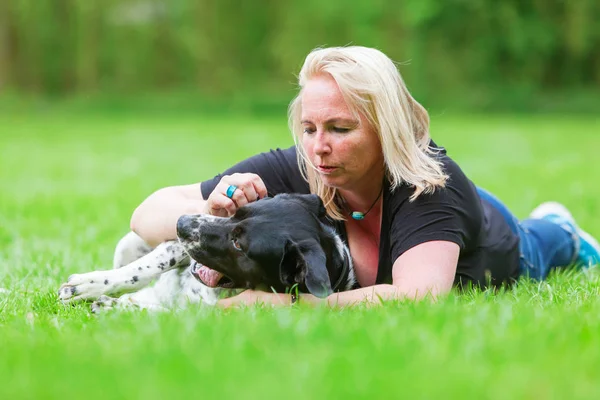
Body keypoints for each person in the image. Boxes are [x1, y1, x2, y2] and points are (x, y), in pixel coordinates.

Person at [130, 46, 600, 307]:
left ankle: (562, 228)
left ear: (386, 126)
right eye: (309, 128)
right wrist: (218, 214)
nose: (319, 146)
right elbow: (146, 214)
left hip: (497, 239)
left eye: (340, 128)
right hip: (444, 215)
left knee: (545, 242)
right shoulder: (306, 163)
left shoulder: (430, 188)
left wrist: (289, 307)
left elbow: (416, 299)